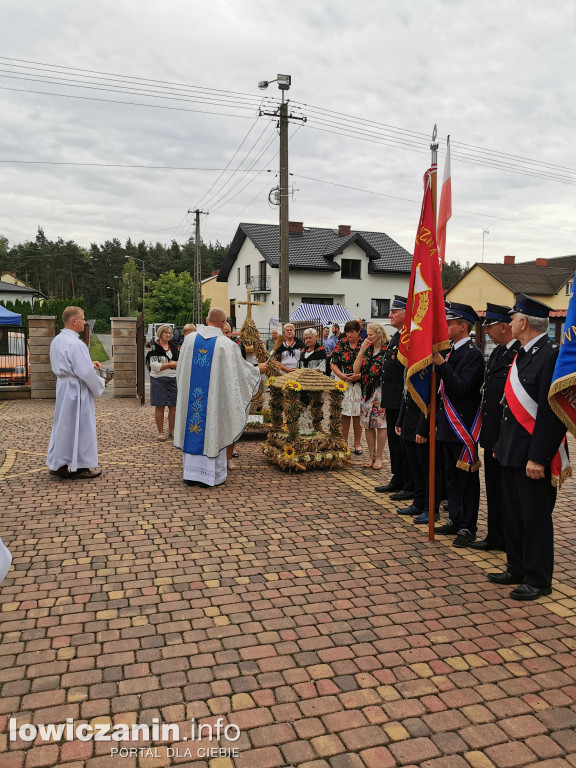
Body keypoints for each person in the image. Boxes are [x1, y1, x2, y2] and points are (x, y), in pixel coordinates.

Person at [489, 294, 568, 600]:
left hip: (534, 454)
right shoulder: (522, 354)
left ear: (524, 322)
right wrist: (500, 444)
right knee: (513, 513)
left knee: (534, 518)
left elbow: (551, 413)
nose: (509, 323)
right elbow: (508, 406)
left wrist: (539, 457)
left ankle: (538, 578)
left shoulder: (550, 355)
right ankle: (517, 567)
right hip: (511, 450)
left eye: (513, 318)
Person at [174, 307, 266, 487]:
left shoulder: (190, 340)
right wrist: (257, 370)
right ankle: (208, 477)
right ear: (224, 323)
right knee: (212, 428)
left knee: (192, 424)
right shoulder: (227, 344)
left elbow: (181, 371)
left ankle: (191, 474)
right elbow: (239, 374)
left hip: (192, 398)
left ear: (207, 320)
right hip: (212, 404)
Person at [432, 303, 484, 547]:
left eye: (450, 323)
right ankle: (455, 517)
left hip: (462, 427)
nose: (446, 327)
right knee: (450, 476)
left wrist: (442, 364)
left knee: (466, 480)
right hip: (446, 425)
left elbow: (462, 387)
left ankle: (467, 526)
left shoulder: (472, 354)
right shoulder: (452, 352)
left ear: (462, 327)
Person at [469, 304, 520, 552]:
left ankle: (508, 538)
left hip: (506, 436)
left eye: (490, 326)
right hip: (492, 435)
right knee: (494, 488)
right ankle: (495, 534)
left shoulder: (517, 354)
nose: (487, 331)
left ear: (504, 326)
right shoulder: (500, 352)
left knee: (507, 493)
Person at [46, 306, 106, 479]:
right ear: (74, 321)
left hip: (64, 386)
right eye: (82, 318)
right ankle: (81, 466)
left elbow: (73, 365)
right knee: (81, 426)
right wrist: (102, 382)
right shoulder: (76, 343)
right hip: (76, 389)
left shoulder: (57, 340)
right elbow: (85, 373)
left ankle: (59, 463)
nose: (84, 322)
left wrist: (89, 363)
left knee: (63, 426)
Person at [375, 296, 410, 493]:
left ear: (406, 313)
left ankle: (407, 482)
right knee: (395, 443)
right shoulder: (397, 336)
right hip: (392, 398)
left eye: (395, 311)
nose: (390, 315)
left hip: (402, 398)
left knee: (403, 443)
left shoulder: (409, 336)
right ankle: (398, 477)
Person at [353, 323, 389, 469]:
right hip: (366, 391)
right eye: (367, 334)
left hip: (380, 390)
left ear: (379, 334)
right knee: (368, 424)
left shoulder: (387, 350)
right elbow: (356, 370)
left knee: (380, 424)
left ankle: (379, 456)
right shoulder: (367, 351)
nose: (367, 337)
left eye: (370, 335)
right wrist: (361, 351)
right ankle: (371, 455)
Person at [331, 320, 364, 454]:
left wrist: (359, 376)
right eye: (347, 332)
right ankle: (344, 442)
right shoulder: (341, 343)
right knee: (345, 413)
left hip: (359, 383)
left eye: (352, 332)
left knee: (357, 414)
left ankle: (357, 443)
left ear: (358, 332)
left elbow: (371, 365)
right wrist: (342, 376)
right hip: (343, 381)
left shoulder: (364, 345)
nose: (349, 335)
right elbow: (333, 363)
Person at [146, 324, 179, 442]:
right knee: (160, 406)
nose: (168, 335)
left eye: (170, 333)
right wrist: (170, 365)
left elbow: (180, 362)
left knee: (173, 407)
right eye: (166, 332)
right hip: (158, 380)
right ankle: (160, 432)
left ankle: (172, 431)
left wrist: (172, 365)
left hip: (173, 379)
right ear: (160, 334)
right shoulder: (154, 349)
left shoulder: (174, 347)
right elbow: (155, 366)